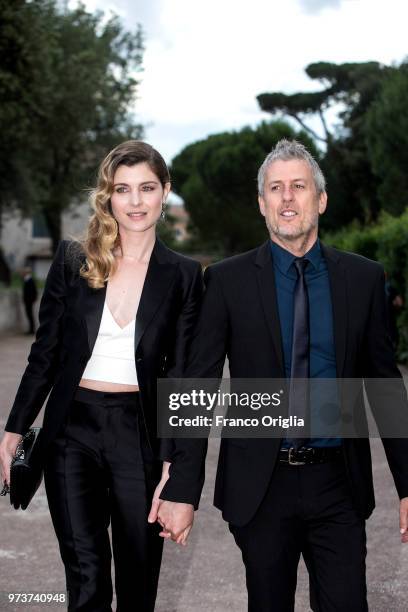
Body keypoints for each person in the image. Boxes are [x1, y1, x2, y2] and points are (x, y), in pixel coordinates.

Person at [157, 139, 408, 611]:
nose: (287, 197)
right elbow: (197, 384)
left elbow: (385, 386)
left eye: (299, 186)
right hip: (260, 487)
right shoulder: (226, 281)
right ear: (261, 203)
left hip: (339, 486)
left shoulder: (363, 279)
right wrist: (180, 489)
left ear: (321, 199)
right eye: (276, 188)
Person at [0, 140, 203, 612]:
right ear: (108, 196)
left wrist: (179, 466)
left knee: (138, 584)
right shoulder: (74, 261)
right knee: (86, 581)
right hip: (71, 433)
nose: (135, 201)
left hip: (140, 436)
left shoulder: (185, 276)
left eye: (147, 188)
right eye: (122, 189)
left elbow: (188, 381)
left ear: (165, 192)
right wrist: (14, 429)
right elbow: (44, 354)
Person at [21, 266, 38, 334]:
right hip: (28, 300)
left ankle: (31, 330)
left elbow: (33, 291)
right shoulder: (27, 280)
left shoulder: (29, 280)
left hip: (29, 301)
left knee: (30, 314)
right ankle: (31, 329)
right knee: (29, 314)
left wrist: (32, 299)